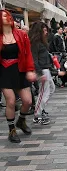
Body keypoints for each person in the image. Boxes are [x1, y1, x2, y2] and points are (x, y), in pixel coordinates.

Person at [0, 10, 37, 143]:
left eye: (8, 15)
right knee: (10, 101)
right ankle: (12, 130)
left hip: (20, 70)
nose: (8, 18)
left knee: (27, 101)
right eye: (4, 16)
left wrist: (30, 70)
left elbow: (28, 54)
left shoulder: (21, 35)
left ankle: (21, 121)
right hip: (4, 71)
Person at [29, 21, 55, 125]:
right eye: (44, 30)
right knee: (43, 93)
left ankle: (40, 109)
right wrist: (40, 73)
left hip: (46, 69)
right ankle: (37, 114)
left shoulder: (42, 42)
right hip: (42, 70)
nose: (46, 32)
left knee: (51, 90)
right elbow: (34, 60)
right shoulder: (35, 43)